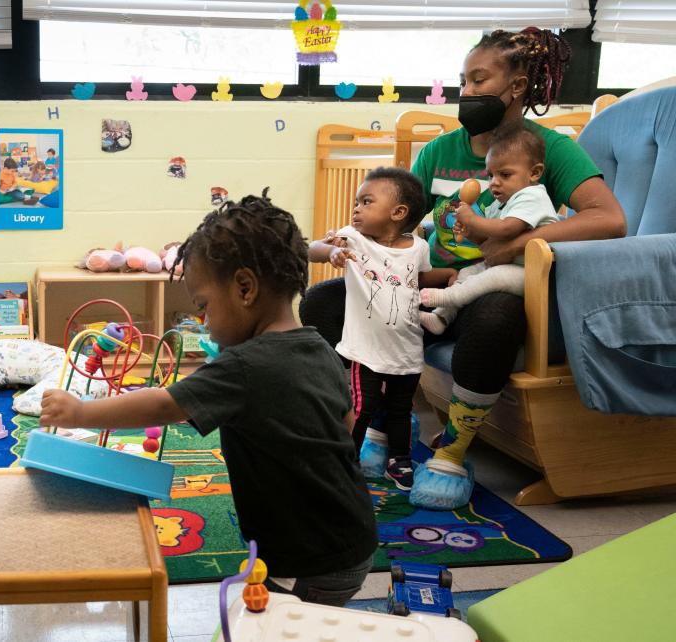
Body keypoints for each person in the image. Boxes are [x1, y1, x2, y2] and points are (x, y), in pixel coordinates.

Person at [300, 27, 625, 511]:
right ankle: (388, 422)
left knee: (496, 311)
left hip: (489, 291)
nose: (466, 93)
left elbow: (609, 219)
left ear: (516, 87)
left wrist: (517, 240)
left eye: (479, 80)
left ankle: (453, 450)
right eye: (463, 81)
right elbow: (406, 225)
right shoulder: (439, 150)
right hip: (422, 288)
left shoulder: (547, 148)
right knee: (322, 303)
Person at [42, 190, 378, 607]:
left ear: (244, 288)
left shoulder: (243, 367)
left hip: (308, 558)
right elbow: (346, 424)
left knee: (281, 626)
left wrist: (80, 412)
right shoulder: (318, 347)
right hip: (353, 533)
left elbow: (164, 403)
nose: (202, 321)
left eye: (203, 306)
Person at [309, 168, 455, 490]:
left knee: (402, 409)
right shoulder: (355, 239)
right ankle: (345, 463)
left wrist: (449, 275)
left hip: (406, 347)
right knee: (361, 407)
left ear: (398, 212)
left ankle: (399, 459)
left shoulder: (418, 248)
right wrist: (332, 251)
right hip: (365, 349)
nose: (356, 208)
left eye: (366, 201)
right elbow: (312, 249)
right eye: (357, 202)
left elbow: (418, 279)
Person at [419, 122, 558, 335]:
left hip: (535, 275)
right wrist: (470, 232)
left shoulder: (533, 196)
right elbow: (488, 243)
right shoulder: (498, 204)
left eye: (505, 175)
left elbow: (506, 229)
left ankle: (449, 297)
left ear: (534, 173)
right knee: (468, 271)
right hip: (510, 266)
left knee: (493, 277)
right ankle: (441, 316)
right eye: (491, 175)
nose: (494, 183)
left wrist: (472, 219)